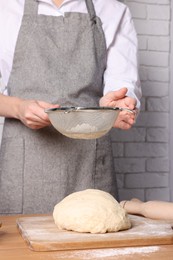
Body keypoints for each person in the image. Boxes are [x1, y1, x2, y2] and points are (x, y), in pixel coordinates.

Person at [0, 0, 141, 214]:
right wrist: (18, 107)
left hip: (88, 164)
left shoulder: (113, 11)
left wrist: (118, 105)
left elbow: (122, 85)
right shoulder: (6, 8)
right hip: (24, 163)